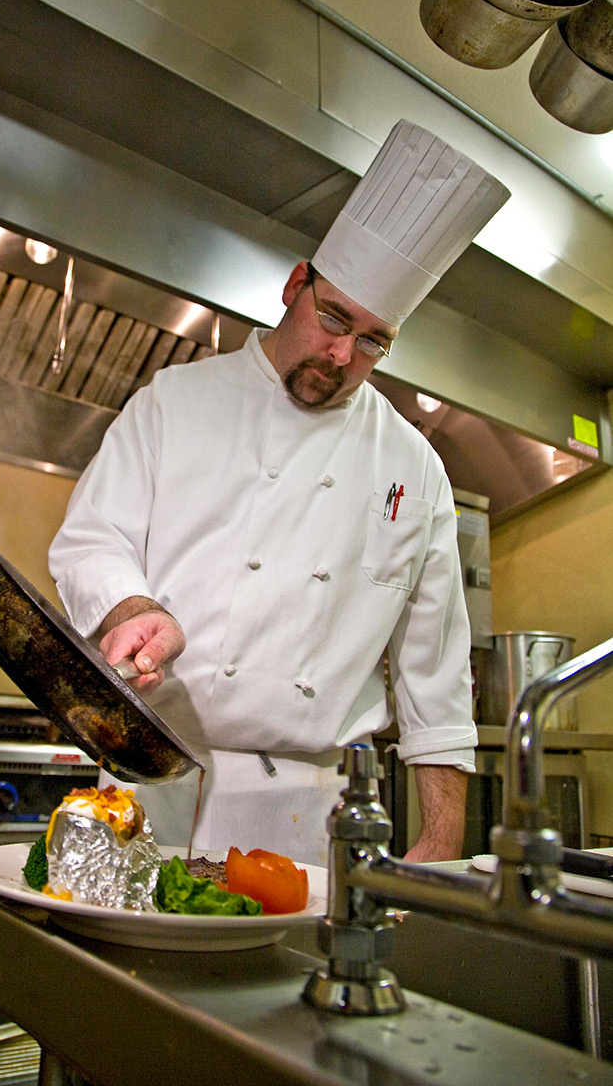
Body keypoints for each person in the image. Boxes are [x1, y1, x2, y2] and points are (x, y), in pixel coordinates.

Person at [48, 120, 510, 866]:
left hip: (306, 815)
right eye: (332, 318)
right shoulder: (174, 401)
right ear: (296, 285)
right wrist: (132, 608)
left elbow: (434, 666)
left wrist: (441, 838)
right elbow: (92, 540)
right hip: (148, 777)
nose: (339, 353)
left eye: (370, 340)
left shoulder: (412, 466)